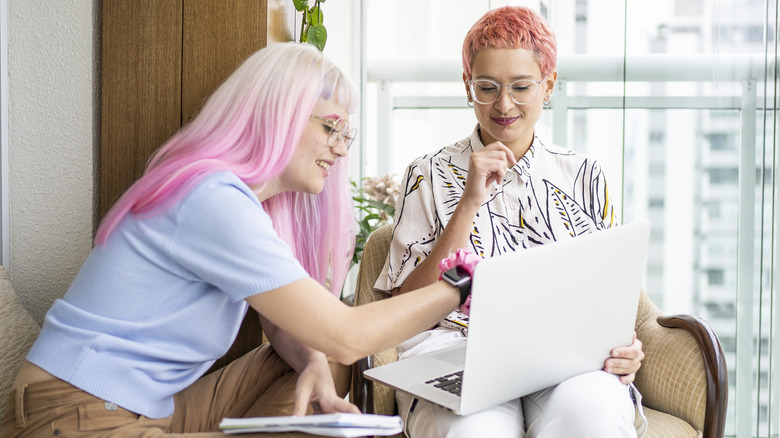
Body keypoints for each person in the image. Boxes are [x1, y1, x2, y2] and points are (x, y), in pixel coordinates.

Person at [0, 42, 466, 438]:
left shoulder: (240, 203)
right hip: (71, 413)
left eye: (348, 133)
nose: (342, 148)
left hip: (149, 408)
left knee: (320, 355)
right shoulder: (211, 199)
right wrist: (458, 287)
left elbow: (294, 327)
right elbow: (347, 336)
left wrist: (312, 365)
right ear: (277, 116)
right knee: (333, 346)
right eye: (330, 127)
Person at [375, 7, 648, 438]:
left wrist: (624, 345)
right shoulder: (428, 172)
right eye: (487, 88)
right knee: (476, 432)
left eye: (521, 86)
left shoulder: (585, 175)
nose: (504, 105)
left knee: (592, 419)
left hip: (564, 358)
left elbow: (606, 291)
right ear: (468, 87)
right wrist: (468, 201)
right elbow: (404, 309)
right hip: (456, 351)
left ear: (549, 85)